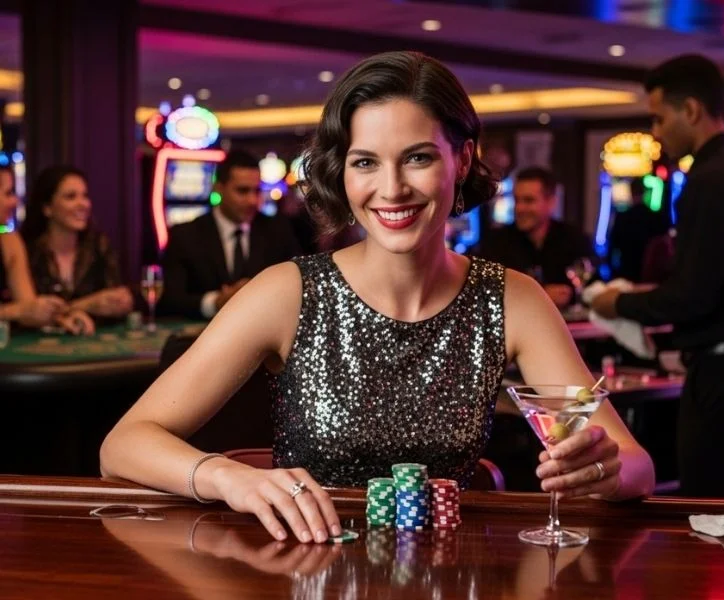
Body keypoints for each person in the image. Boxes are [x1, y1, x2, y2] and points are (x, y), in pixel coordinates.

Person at [101, 51, 654, 544]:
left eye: (418, 158)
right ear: (342, 172)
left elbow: (636, 465)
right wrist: (228, 477)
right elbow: (123, 445)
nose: (391, 189)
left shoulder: (514, 299)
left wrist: (605, 470)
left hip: (445, 575)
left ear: (460, 161)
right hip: (305, 571)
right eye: (366, 162)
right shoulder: (287, 292)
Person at [591, 54, 724, 498]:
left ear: (692, 110)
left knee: (712, 509)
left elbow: (694, 295)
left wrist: (616, 303)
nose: (656, 134)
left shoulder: (710, 178)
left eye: (659, 118)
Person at [159, 150, 302, 320]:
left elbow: (298, 284)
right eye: (242, 191)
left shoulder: (277, 230)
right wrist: (216, 302)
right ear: (219, 188)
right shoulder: (185, 235)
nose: (252, 200)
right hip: (204, 336)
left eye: (256, 191)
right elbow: (169, 300)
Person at [22, 165, 133, 327]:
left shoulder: (99, 246)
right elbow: (30, 312)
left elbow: (119, 300)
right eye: (71, 197)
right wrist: (89, 304)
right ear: (47, 208)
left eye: (85, 196)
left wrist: (122, 301)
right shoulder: (27, 251)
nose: (83, 204)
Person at [476, 167, 594, 309]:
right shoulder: (497, 243)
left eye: (528, 200)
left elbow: (592, 288)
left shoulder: (574, 239)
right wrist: (541, 295)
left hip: (567, 327)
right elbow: (482, 293)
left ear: (551, 202)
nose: (519, 208)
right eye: (516, 200)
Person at [0, 164, 90, 333]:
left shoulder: (10, 241)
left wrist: (65, 317)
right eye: (8, 193)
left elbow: (30, 309)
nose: (15, 201)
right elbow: (21, 310)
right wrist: (14, 311)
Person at [606, 177, 668, 283]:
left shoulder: (622, 217)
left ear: (631, 192)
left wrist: (611, 272)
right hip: (651, 274)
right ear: (645, 193)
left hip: (626, 270)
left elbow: (612, 246)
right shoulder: (655, 217)